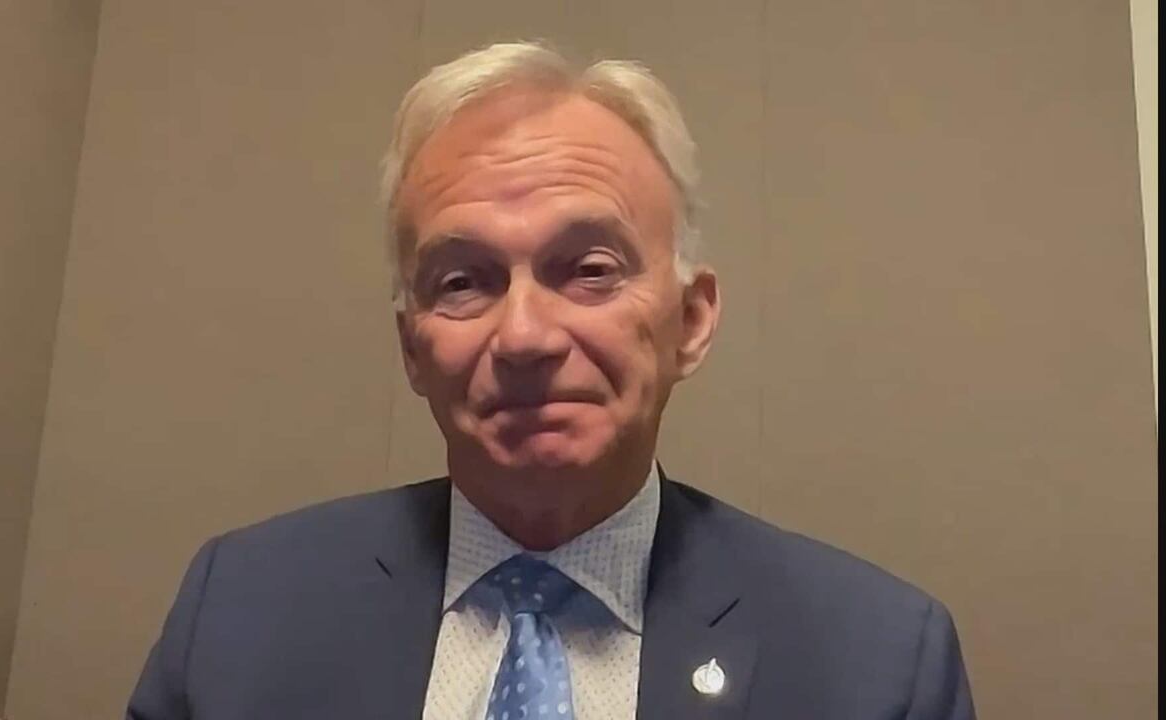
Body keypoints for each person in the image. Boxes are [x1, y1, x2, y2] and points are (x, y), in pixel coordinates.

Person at [127, 40, 975, 719]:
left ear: (692, 318)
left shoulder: (880, 663)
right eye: (463, 282)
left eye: (591, 269)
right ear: (412, 347)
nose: (525, 336)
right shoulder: (240, 611)